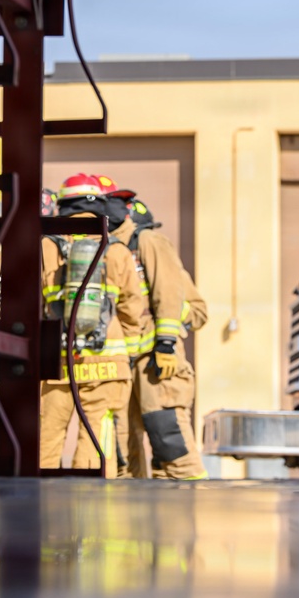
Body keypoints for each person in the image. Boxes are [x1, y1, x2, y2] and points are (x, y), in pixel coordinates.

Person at [39, 174, 142, 475]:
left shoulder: (44, 248)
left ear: (63, 205)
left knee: (47, 434)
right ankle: (92, 505)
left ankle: (35, 503)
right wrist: (129, 357)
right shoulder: (118, 250)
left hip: (57, 362)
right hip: (108, 365)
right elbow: (132, 310)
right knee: (98, 435)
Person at [107, 191, 209, 481]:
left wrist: (165, 342)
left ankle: (188, 509)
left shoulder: (149, 241)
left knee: (169, 441)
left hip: (156, 361)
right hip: (123, 361)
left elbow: (176, 299)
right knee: (123, 449)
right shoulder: (111, 249)